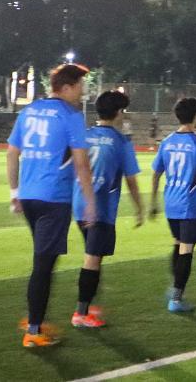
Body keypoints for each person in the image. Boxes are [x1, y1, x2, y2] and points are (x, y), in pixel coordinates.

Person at [6, 62, 96, 348]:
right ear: (67, 87)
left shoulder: (29, 111)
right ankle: (34, 329)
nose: (83, 92)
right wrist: (90, 202)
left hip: (29, 196)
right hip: (53, 198)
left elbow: (11, 153)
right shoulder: (70, 115)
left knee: (42, 260)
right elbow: (81, 163)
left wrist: (14, 191)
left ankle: (36, 317)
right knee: (43, 265)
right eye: (80, 86)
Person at [72, 90, 143, 328]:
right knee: (92, 259)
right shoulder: (121, 142)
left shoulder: (85, 135)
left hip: (79, 204)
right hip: (100, 208)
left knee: (95, 256)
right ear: (119, 112)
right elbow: (131, 180)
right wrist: (139, 208)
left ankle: (89, 305)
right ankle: (81, 313)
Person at [150, 97, 196, 312]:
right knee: (186, 249)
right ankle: (177, 299)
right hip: (189, 204)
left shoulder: (167, 142)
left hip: (171, 203)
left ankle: (174, 288)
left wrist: (153, 202)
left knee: (178, 243)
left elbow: (156, 173)